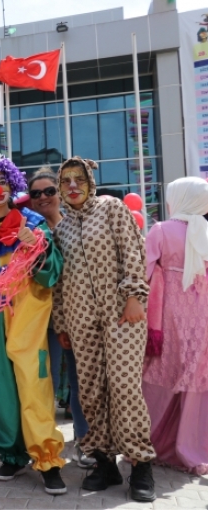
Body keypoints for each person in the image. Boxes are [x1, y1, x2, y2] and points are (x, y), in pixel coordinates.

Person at [0, 150, 66, 495]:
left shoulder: (32, 226)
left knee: (34, 384)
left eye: (2, 181)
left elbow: (52, 275)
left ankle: (47, 458)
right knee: (1, 388)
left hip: (28, 318)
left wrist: (38, 250)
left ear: (12, 185)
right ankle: (12, 454)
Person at [52, 157, 156, 502]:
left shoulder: (111, 209)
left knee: (125, 386)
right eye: (65, 181)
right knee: (91, 391)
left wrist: (134, 296)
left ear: (90, 181)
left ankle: (140, 463)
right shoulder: (61, 229)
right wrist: (62, 322)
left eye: (78, 179)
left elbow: (133, 252)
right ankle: (103, 462)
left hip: (121, 314)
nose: (71, 186)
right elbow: (59, 283)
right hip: (81, 320)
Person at [27, 167, 93, 469]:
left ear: (60, 191)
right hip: (43, 318)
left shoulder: (79, 225)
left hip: (79, 317)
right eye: (36, 193)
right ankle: (44, 446)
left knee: (82, 381)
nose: (43, 197)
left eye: (49, 191)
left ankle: (86, 441)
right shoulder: (31, 229)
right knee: (44, 383)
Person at [142, 177, 208, 476]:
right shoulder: (206, 232)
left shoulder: (161, 230)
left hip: (169, 313)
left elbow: (142, 272)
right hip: (202, 314)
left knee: (159, 373)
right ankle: (192, 447)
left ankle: (147, 442)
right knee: (195, 380)